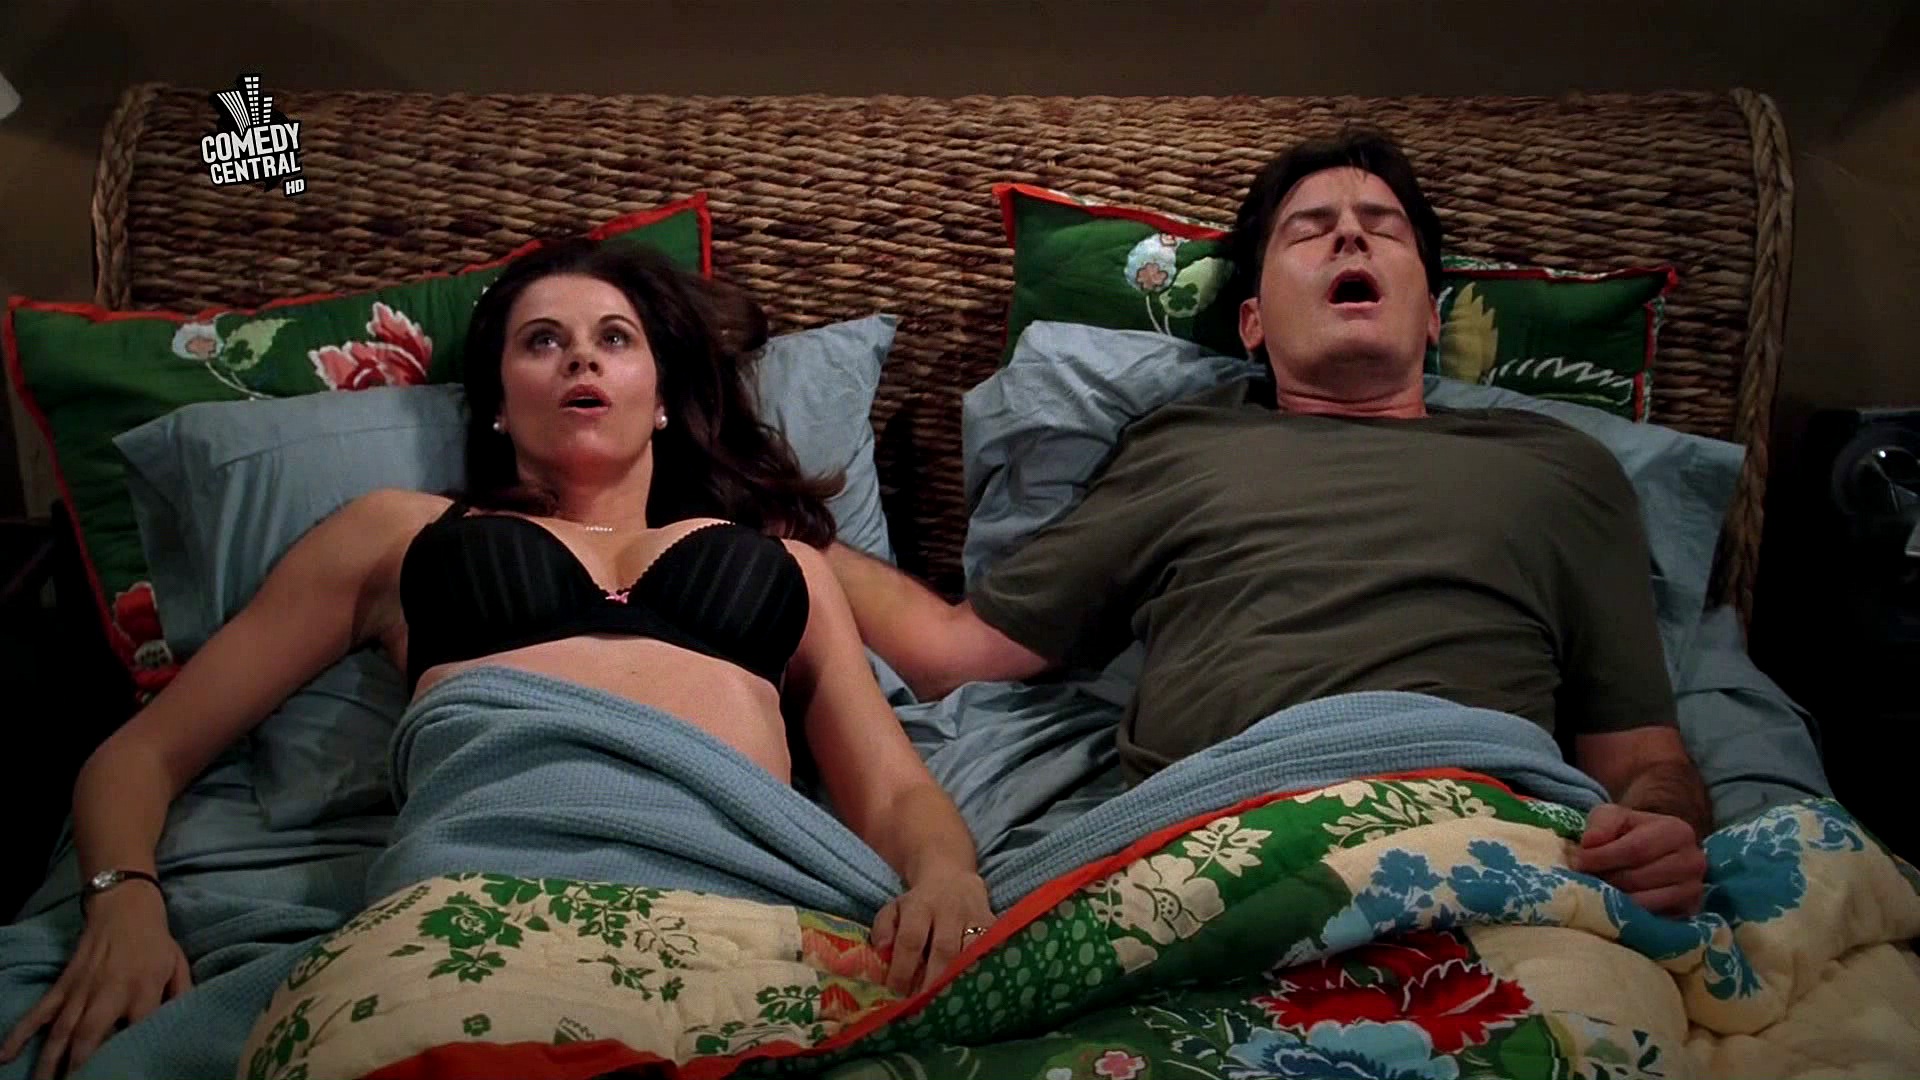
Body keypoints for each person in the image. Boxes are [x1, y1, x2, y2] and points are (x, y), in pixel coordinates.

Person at [1, 241, 992, 1079]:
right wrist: (123, 904)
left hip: (726, 909)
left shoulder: (787, 566)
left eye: (615, 338)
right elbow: (144, 753)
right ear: (497, 404)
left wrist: (945, 873)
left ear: (661, 396)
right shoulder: (398, 535)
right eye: (541, 341)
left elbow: (895, 789)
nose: (579, 358)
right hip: (475, 906)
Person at [827, 130, 1712, 919]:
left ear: (1432, 318)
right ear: (1251, 322)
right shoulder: (1183, 448)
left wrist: (1660, 828)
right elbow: (956, 651)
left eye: (1383, 227)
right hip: (1217, 852)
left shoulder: (1563, 469)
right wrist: (779, 523)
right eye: (1309, 229)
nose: (1350, 236)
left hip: (1481, 840)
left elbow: (1642, 760)